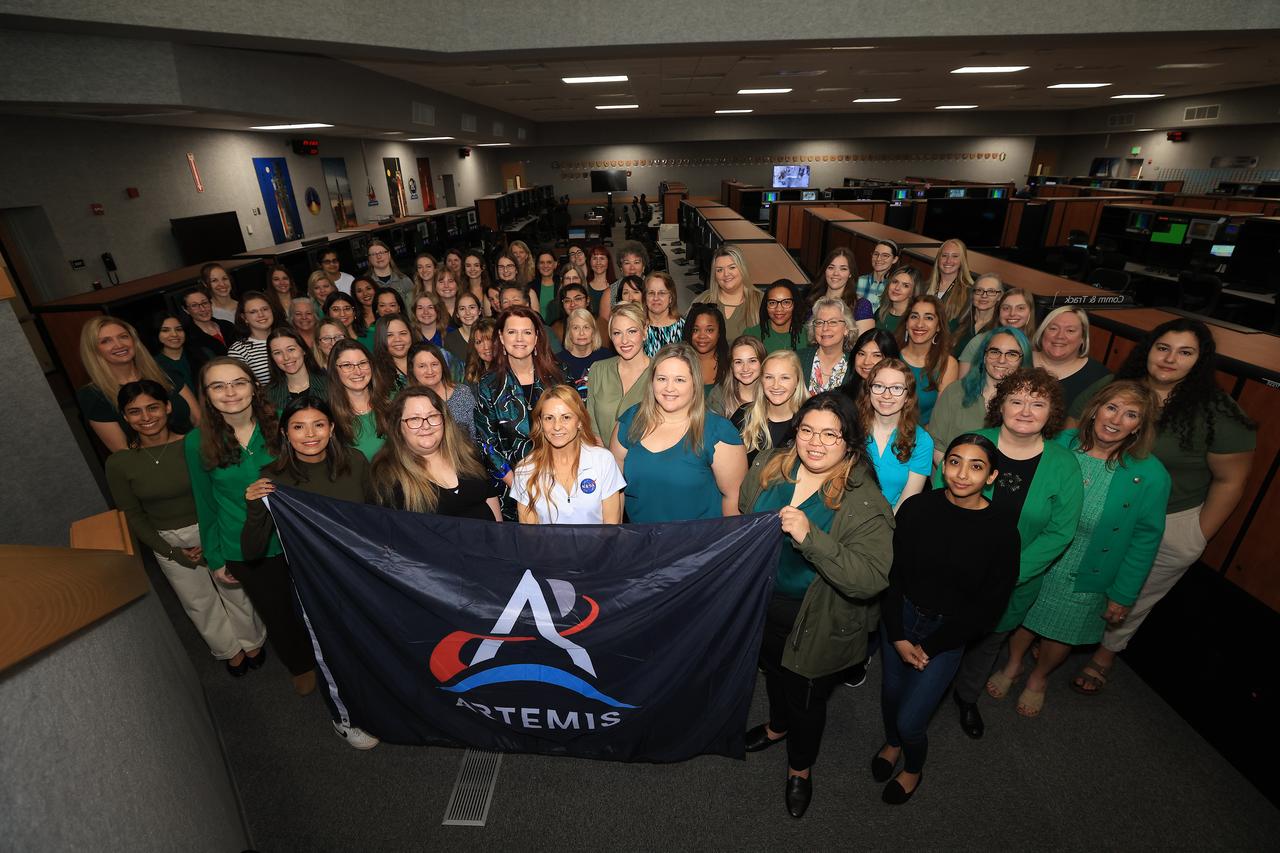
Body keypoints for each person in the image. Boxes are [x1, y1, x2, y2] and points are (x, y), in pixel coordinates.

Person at [1070, 319, 1256, 696]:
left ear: (1199, 361)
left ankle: (1105, 654)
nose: (1170, 359)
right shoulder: (1115, 388)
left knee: (1135, 595)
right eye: (1163, 348)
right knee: (1084, 577)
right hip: (1098, 510)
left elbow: (1231, 479)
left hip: (1171, 522)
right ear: (1148, 350)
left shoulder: (1217, 412)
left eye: (1185, 352)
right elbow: (1075, 431)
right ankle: (1064, 632)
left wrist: (1198, 535)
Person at [739, 392, 893, 819]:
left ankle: (800, 769)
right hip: (766, 604)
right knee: (772, 673)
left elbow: (869, 579)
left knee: (806, 700)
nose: (815, 442)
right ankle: (775, 726)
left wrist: (811, 538)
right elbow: (746, 514)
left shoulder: (864, 500)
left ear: (849, 443)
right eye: (807, 430)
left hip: (817, 620)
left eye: (830, 434)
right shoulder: (771, 466)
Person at [991, 381, 1169, 717]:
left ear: (1140, 427)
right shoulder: (1057, 444)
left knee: (1063, 628)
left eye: (1131, 414)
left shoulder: (1150, 475)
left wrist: (1124, 594)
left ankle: (1039, 678)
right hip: (1039, 552)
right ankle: (1013, 664)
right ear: (1096, 408)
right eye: (1112, 407)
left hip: (1090, 565)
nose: (1116, 419)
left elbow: (1145, 540)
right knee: (1023, 615)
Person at [874, 433, 1019, 804]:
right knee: (890, 696)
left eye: (976, 466)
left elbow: (989, 606)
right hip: (901, 618)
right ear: (943, 466)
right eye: (954, 462)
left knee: (911, 720)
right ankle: (892, 744)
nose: (962, 474)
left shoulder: (1001, 530)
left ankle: (912, 767)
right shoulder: (917, 509)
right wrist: (898, 635)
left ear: (991, 477)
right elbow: (892, 576)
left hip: (947, 632)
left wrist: (930, 645)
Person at [947, 367, 1083, 740]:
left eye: (1037, 403)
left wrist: (1009, 572)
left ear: (1051, 411)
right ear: (1000, 404)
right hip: (956, 572)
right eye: (1017, 400)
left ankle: (967, 697)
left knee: (989, 643)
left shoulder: (1063, 465)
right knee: (946, 637)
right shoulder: (973, 446)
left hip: (1016, 581)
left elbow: (1060, 531)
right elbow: (946, 505)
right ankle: (928, 694)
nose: (1025, 411)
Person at [240, 395, 380, 749]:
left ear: (332, 427)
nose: (310, 434)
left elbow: (376, 517)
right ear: (286, 433)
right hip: (314, 584)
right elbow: (252, 551)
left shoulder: (355, 461)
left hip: (361, 574)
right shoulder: (273, 477)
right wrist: (255, 507)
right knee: (333, 652)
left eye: (318, 424)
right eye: (299, 427)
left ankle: (381, 700)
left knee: (370, 641)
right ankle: (343, 718)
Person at [106, 379, 265, 676]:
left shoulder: (196, 442)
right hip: (168, 541)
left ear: (167, 407)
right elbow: (132, 514)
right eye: (135, 411)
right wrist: (170, 551)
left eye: (153, 407)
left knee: (234, 587)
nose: (146, 417)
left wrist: (214, 535)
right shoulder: (120, 463)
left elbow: (218, 491)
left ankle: (252, 641)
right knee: (198, 601)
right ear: (125, 418)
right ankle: (229, 649)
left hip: (215, 526)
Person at [184, 357, 317, 695]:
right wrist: (215, 558)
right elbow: (205, 503)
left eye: (238, 383)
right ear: (207, 394)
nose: (230, 392)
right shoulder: (195, 442)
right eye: (218, 386)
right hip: (245, 545)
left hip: (295, 534)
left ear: (254, 387)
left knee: (315, 601)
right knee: (278, 614)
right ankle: (301, 666)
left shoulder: (281, 426)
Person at [610, 343, 747, 523]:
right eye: (662, 379)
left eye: (680, 380)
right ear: (651, 381)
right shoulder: (630, 421)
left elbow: (734, 501)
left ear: (695, 384)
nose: (669, 388)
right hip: (640, 543)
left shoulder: (718, 432)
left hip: (700, 546)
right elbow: (613, 489)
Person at [474, 305, 575, 520]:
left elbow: (577, 425)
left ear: (537, 336)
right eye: (512, 332)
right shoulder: (489, 385)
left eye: (527, 332)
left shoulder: (560, 375)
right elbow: (486, 444)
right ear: (501, 337)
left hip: (564, 481)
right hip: (513, 489)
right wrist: (519, 486)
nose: (520, 339)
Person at [371, 387, 503, 520]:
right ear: (398, 427)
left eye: (432, 416)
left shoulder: (467, 454)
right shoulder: (387, 478)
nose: (426, 425)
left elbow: (490, 499)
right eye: (415, 419)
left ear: (445, 420)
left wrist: (500, 537)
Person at [77, 316, 199, 452]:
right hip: (155, 465)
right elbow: (123, 451)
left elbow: (198, 419)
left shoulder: (164, 371)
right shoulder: (94, 395)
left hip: (197, 451)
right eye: (106, 341)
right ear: (94, 350)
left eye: (123, 337)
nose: (119, 345)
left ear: (134, 340)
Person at [511, 385, 625, 524]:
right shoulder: (526, 470)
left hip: (597, 546)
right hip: (548, 546)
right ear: (540, 423)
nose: (557, 426)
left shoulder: (603, 460)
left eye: (566, 417)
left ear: (580, 422)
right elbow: (529, 536)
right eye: (549, 418)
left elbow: (612, 528)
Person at [928, 326, 1033, 466]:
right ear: (984, 356)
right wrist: (961, 477)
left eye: (1012, 354)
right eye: (994, 352)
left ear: (1023, 359)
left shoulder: (1030, 402)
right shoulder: (956, 391)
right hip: (952, 477)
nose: (1001, 360)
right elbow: (936, 445)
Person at [859, 358, 933, 511]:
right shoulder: (851, 429)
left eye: (897, 388)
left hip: (890, 522)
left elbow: (906, 502)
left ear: (908, 397)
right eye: (879, 386)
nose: (886, 395)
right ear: (869, 391)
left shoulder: (922, 441)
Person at [586, 303, 651, 455]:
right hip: (605, 464)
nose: (624, 340)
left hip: (645, 466)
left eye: (632, 331)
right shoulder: (598, 370)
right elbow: (592, 426)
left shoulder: (659, 373)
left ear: (644, 332)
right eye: (617, 333)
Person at [1032, 306, 1112, 414]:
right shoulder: (1017, 359)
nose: (1060, 336)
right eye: (1053, 328)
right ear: (1042, 333)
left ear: (1083, 338)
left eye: (1070, 330)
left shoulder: (1100, 378)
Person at [895, 295, 958, 425]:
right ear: (906, 323)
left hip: (922, 438)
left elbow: (940, 419)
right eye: (914, 316)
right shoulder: (891, 354)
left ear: (939, 326)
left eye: (928, 318)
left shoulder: (947, 364)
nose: (919, 324)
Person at [326, 339, 388, 461]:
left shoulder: (393, 402)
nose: (358, 371)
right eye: (347, 365)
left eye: (363, 363)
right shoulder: (327, 416)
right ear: (335, 370)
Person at [741, 349, 806, 466]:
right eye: (769, 377)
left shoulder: (809, 421)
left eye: (785, 378)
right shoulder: (744, 415)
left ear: (797, 381)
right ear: (761, 380)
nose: (776, 385)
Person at [408, 341, 478, 441]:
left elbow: (475, 435)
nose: (430, 371)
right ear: (412, 370)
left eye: (434, 364)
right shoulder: (408, 402)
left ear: (442, 366)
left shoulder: (462, 393)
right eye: (422, 366)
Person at [957, 286, 1036, 372]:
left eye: (1020, 308)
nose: (1012, 313)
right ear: (999, 312)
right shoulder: (979, 342)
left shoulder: (1037, 348)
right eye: (1006, 308)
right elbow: (962, 382)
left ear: (1030, 313)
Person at [694, 245, 762, 341]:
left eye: (732, 267)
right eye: (719, 270)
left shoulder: (761, 301)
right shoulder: (702, 301)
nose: (726, 274)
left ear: (742, 269)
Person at [812, 248, 874, 336]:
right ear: (825, 271)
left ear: (850, 273)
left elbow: (864, 346)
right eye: (831, 267)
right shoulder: (812, 301)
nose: (836, 273)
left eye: (843, 269)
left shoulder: (861, 306)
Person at [801, 297, 855, 396]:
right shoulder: (798, 359)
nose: (825, 328)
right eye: (819, 322)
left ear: (846, 329)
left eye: (833, 322)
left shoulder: (855, 366)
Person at [709, 335, 765, 428]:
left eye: (752, 361)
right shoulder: (719, 394)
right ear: (731, 365)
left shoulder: (772, 393)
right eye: (738, 362)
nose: (745, 368)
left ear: (762, 362)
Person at [264, 327, 326, 410]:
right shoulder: (268, 394)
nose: (286, 357)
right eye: (277, 353)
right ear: (272, 358)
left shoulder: (329, 383)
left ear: (303, 350)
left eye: (291, 349)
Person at [181, 286, 241, 370]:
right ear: (186, 310)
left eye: (205, 303)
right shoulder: (188, 338)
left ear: (210, 303)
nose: (202, 309)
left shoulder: (227, 326)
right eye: (194, 305)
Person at [745, 280, 811, 355]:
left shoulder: (808, 335)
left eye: (786, 302)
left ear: (794, 304)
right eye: (772, 303)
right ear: (766, 305)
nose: (779, 309)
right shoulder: (751, 334)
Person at [838, 329, 902, 403]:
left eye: (877, 355)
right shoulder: (841, 396)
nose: (866, 362)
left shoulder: (898, 396)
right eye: (861, 354)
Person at [227, 292, 277, 384]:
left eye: (265, 309)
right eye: (253, 312)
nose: (261, 314)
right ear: (244, 318)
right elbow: (241, 386)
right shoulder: (238, 350)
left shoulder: (289, 337)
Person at [951, 273, 1003, 357]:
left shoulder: (1000, 330)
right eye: (979, 290)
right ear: (973, 294)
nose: (984, 295)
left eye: (991, 291)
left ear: (999, 296)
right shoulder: (955, 324)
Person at [926, 238, 975, 325]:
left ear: (962, 261)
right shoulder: (924, 286)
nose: (948, 261)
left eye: (955, 256)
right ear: (938, 259)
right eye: (944, 255)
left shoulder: (969, 292)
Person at [685, 303, 730, 392]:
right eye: (695, 330)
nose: (702, 336)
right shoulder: (679, 363)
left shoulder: (730, 364)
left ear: (719, 333)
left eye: (709, 330)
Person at [559, 307, 611, 381]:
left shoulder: (607, 358)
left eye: (586, 327)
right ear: (569, 333)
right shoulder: (558, 362)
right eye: (576, 328)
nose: (581, 333)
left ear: (593, 332)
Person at [642, 271, 685, 356]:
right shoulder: (637, 327)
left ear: (671, 298)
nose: (656, 298)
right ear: (645, 298)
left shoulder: (684, 326)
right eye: (651, 293)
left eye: (662, 293)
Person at [371, 313, 418, 392]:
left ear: (411, 334)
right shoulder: (375, 372)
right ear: (380, 339)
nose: (398, 339)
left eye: (403, 333)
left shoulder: (427, 361)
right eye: (389, 335)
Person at [152, 312, 195, 391]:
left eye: (179, 329)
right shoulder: (153, 365)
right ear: (156, 334)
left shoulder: (202, 353)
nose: (174, 334)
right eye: (165, 330)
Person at [875, 266, 923, 335]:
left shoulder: (913, 320)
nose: (897, 288)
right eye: (895, 282)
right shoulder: (880, 312)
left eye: (905, 285)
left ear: (913, 292)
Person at [855, 240, 899, 310]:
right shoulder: (859, 281)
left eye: (885, 255)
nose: (878, 259)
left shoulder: (895, 287)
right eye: (876, 254)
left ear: (894, 259)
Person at [444, 291, 482, 365]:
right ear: (457, 314)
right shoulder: (450, 339)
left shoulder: (490, 333)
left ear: (479, 311)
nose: (467, 312)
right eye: (462, 309)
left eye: (472, 307)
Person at [464, 317, 498, 384]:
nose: (486, 347)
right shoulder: (471, 373)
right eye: (479, 342)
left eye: (490, 340)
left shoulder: (510, 372)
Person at [585, 245, 615, 320]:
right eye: (594, 258)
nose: (598, 262)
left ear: (608, 262)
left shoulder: (617, 286)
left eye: (602, 258)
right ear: (589, 262)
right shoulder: (584, 287)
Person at [533, 250, 560, 320]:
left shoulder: (562, 284)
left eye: (549, 262)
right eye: (542, 262)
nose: (545, 266)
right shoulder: (531, 287)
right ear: (537, 266)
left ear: (555, 264)